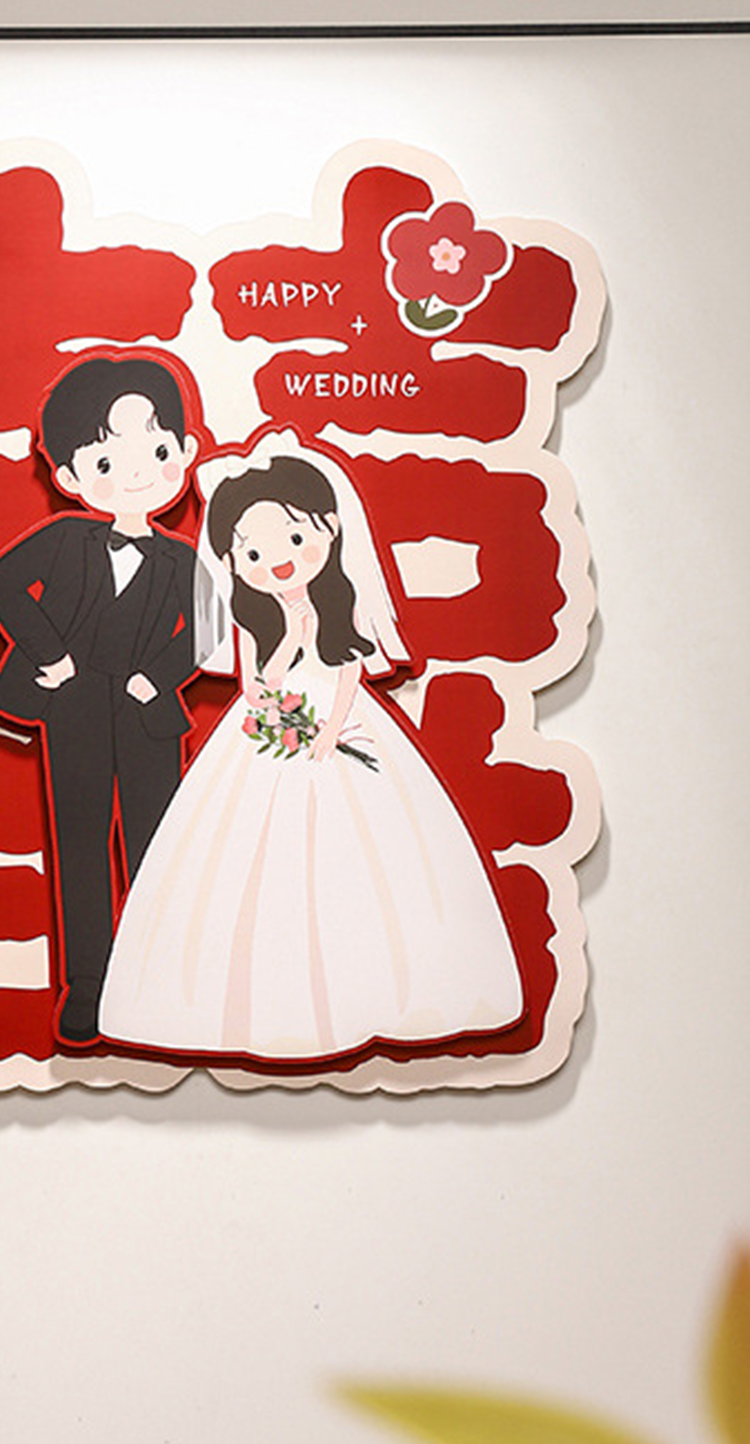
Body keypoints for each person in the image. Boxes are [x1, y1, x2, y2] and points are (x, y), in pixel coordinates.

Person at [97, 432, 525, 1062]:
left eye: (295, 540)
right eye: (253, 552)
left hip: (336, 726)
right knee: (244, 860)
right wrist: (289, 646)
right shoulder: (256, 623)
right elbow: (257, 684)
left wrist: (328, 730)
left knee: (366, 857)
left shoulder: (333, 608)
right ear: (232, 561)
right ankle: (258, 1006)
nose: (278, 563)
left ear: (330, 529)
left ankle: (374, 994)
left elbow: (348, 671)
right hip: (265, 731)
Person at [0, 352, 200, 1046]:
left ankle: (159, 979)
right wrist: (52, 655)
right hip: (72, 708)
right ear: (70, 478)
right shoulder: (64, 536)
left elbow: (208, 630)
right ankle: (88, 986)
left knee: (153, 847)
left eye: (156, 452)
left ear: (185, 453)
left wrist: (158, 675)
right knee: (79, 846)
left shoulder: (183, 559)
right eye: (108, 460)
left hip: (147, 718)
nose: (136, 473)